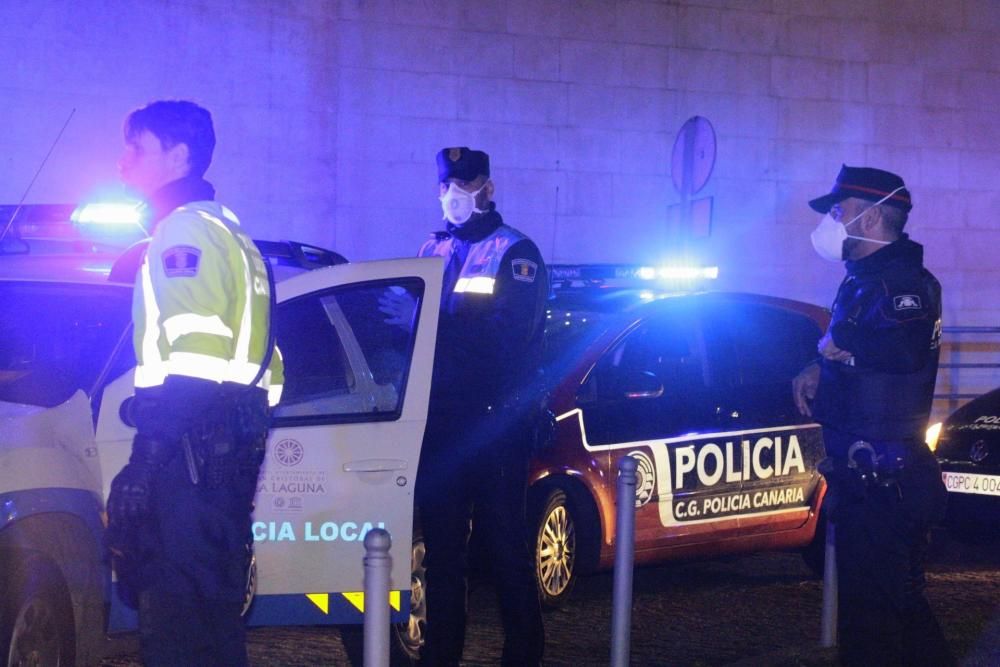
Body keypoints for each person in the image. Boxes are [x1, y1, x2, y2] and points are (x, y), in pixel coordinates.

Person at [106, 99, 283, 666]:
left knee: (178, 635)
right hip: (222, 465)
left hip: (189, 468)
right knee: (214, 631)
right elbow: (268, 370)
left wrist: (144, 459)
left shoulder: (183, 233)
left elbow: (192, 364)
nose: (124, 160)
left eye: (138, 147)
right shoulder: (229, 232)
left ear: (178, 156)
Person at [380, 146, 547, 666]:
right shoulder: (430, 247)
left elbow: (506, 344)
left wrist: (430, 322)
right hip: (441, 424)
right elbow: (408, 333)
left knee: (503, 550)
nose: (455, 196)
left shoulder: (515, 253)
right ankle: (440, 655)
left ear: (488, 188)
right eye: (448, 186)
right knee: (444, 553)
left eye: (466, 185)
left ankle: (523, 655)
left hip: (495, 423)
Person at [792, 165, 952, 666]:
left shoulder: (902, 280)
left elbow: (904, 348)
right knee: (889, 611)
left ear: (875, 216)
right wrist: (820, 365)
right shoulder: (864, 279)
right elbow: (861, 352)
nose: (833, 221)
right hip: (863, 480)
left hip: (886, 480)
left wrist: (845, 344)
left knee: (876, 624)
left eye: (840, 211)